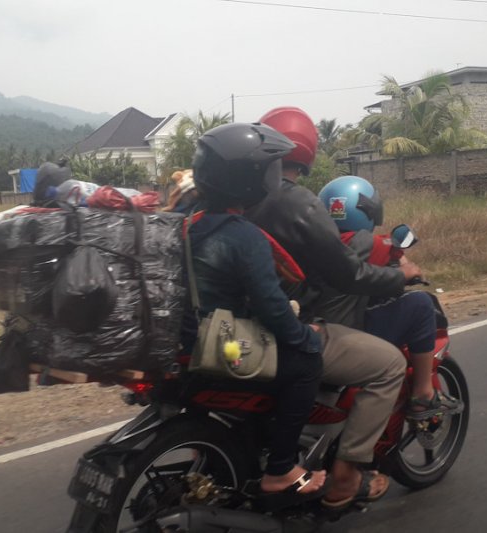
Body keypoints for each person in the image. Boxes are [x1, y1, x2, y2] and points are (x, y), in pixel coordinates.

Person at [246, 107, 411, 509]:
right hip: (281, 328)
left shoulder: (229, 202)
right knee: (389, 365)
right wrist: (400, 278)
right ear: (307, 154)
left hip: (229, 326)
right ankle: (345, 476)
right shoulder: (299, 204)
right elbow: (348, 276)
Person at [182, 122, 327, 504]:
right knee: (307, 362)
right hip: (222, 347)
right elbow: (271, 306)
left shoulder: (186, 222)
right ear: (248, 180)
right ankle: (280, 468)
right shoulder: (244, 235)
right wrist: (304, 335)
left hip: (183, 339)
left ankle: (212, 446)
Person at [318, 175, 463, 419]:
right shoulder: (366, 242)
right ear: (367, 210)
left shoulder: (314, 242)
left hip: (313, 328)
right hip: (346, 333)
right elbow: (399, 254)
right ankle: (423, 394)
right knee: (421, 303)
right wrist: (410, 271)